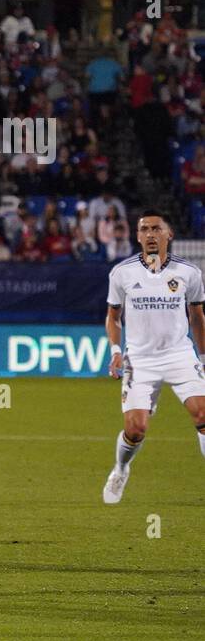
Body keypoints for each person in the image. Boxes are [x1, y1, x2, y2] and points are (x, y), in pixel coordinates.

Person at [103, 211, 205, 504]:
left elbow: (197, 318)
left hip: (179, 354)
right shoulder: (122, 273)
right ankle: (121, 469)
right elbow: (113, 317)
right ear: (137, 236)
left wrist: (204, 358)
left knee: (203, 414)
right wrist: (116, 351)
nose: (150, 234)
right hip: (140, 359)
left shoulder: (189, 272)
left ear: (168, 234)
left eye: (156, 229)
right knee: (136, 429)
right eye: (144, 229)